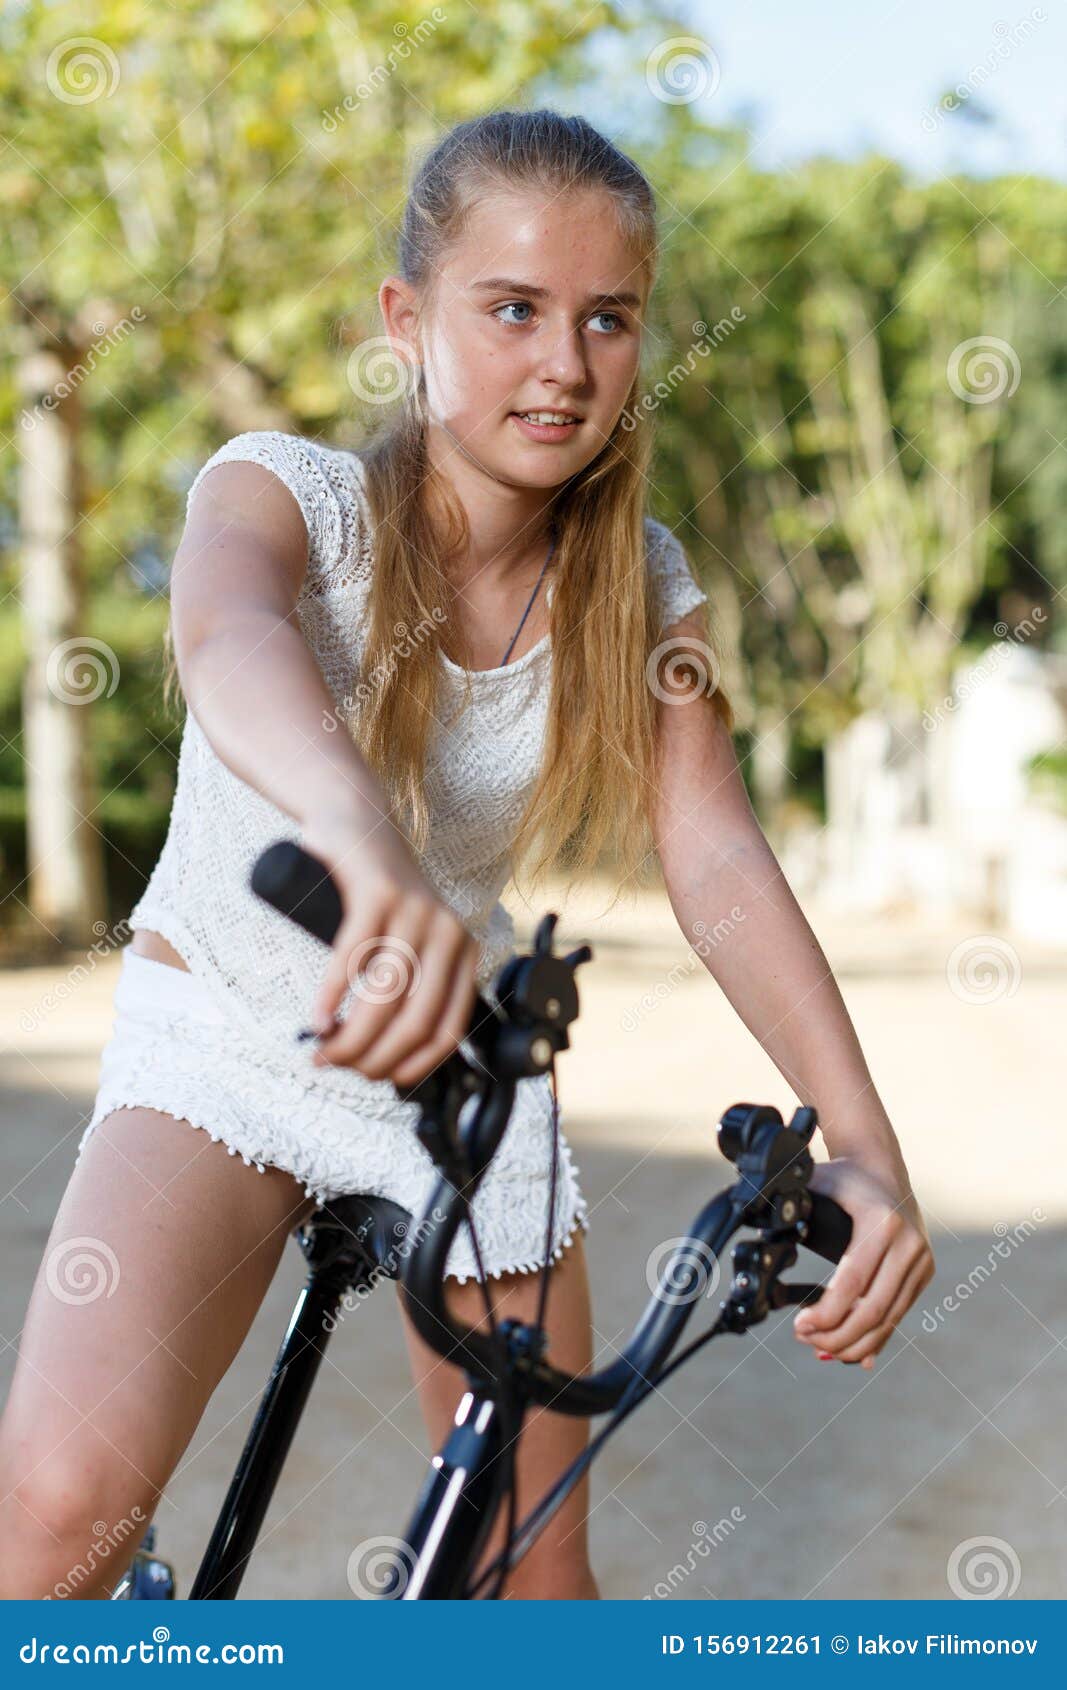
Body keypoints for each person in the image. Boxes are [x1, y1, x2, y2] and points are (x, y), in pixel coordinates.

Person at [0, 107, 933, 1602]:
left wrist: (867, 1147)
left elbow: (718, 856)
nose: (564, 365)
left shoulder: (645, 591)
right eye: (511, 309)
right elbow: (229, 636)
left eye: (606, 320)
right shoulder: (281, 494)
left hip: (453, 1075)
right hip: (230, 1028)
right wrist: (358, 837)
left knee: (529, 1577)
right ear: (407, 323)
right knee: (56, 1516)